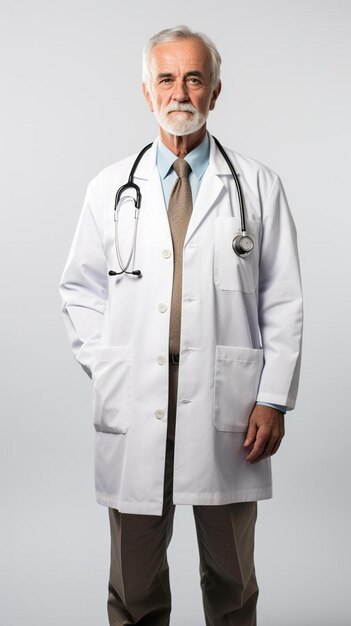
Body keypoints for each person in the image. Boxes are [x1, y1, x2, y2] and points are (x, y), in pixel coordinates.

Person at [59, 25, 303, 626]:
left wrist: (272, 398)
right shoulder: (109, 188)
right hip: (136, 404)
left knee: (232, 582)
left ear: (215, 91)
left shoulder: (257, 187)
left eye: (194, 77)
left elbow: (283, 299)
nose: (180, 91)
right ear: (147, 93)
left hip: (230, 412)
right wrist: (111, 364)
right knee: (134, 585)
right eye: (166, 78)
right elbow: (79, 290)